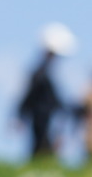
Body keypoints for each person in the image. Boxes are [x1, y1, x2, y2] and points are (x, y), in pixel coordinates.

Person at [16, 23, 76, 160]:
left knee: (44, 148)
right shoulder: (40, 73)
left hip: (48, 118)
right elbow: (28, 96)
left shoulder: (44, 72)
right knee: (42, 148)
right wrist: (20, 115)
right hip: (41, 118)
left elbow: (55, 99)